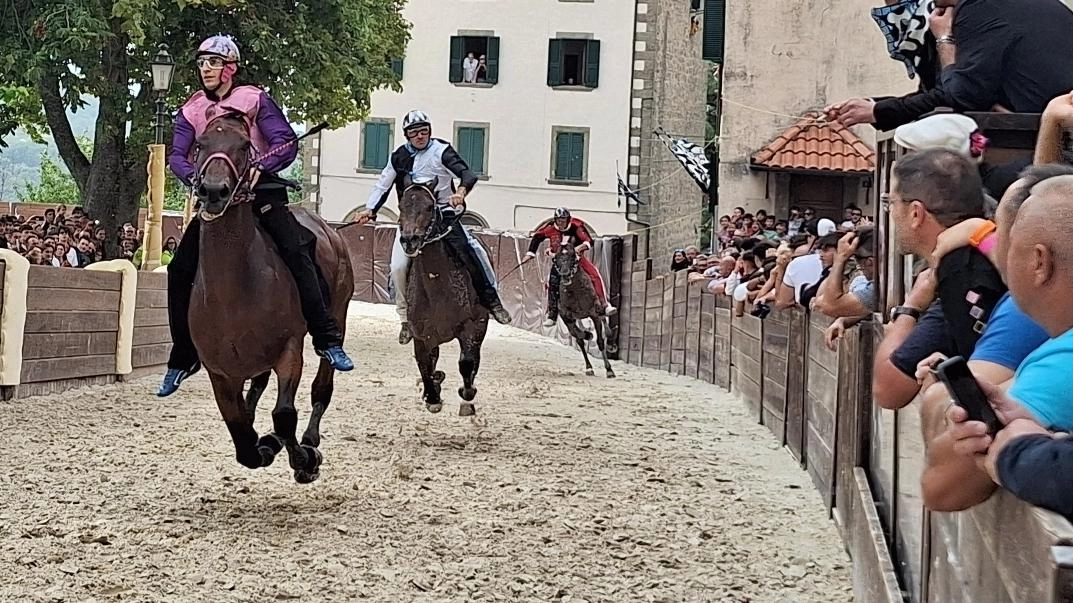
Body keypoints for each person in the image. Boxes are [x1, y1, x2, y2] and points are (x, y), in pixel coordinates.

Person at [157, 35, 354, 397]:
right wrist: (195, 178)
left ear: (229, 68)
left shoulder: (255, 99)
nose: (206, 70)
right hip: (216, 199)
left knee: (297, 251)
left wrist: (261, 167)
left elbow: (285, 142)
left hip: (260, 193)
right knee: (179, 268)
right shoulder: (191, 109)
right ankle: (182, 356)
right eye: (201, 64)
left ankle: (326, 338)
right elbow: (178, 157)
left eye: (213, 63)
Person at [353, 110, 512, 345]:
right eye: (414, 133)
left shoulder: (441, 151)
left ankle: (492, 301)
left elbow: (467, 174)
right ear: (407, 135)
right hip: (413, 222)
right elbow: (383, 184)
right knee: (397, 267)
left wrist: (460, 192)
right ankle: (405, 319)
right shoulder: (398, 157)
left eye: (424, 131)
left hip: (444, 218)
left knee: (472, 253)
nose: (420, 136)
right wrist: (370, 209)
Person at [523, 208, 617, 326]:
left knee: (594, 274)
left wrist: (580, 247)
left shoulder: (576, 226)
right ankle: (552, 314)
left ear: (568, 220)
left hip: (576, 259)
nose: (561, 223)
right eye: (558, 220)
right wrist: (530, 253)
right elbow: (537, 237)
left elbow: (588, 241)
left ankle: (604, 305)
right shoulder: (550, 227)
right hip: (559, 261)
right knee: (552, 283)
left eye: (563, 220)